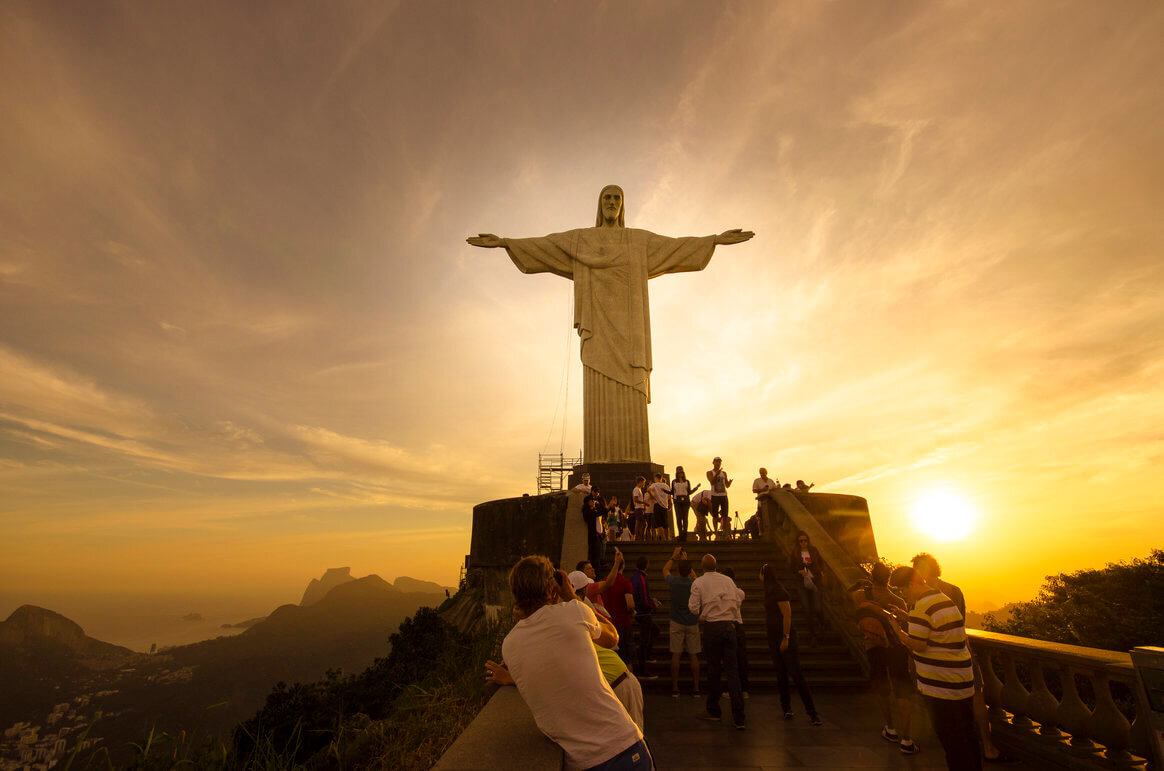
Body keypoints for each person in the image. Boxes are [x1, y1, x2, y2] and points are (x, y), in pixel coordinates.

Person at [469, 186, 753, 466]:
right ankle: (600, 457)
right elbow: (547, 245)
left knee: (632, 389)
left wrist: (713, 240)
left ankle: (635, 457)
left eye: (617, 198)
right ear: (599, 204)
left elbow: (676, 246)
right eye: (607, 197)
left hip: (631, 335)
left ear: (623, 206)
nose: (612, 202)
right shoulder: (582, 240)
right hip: (598, 332)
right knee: (597, 384)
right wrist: (506, 242)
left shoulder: (638, 241)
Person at [487, 556, 651, 770]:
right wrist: (572, 596)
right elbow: (613, 637)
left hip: (581, 762)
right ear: (553, 589)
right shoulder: (574, 611)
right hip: (625, 749)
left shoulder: (508, 645)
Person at [912, 553, 1006, 763]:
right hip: (963, 652)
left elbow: (920, 634)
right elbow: (959, 623)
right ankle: (988, 746)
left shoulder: (922, 596)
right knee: (975, 697)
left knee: (945, 712)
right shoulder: (954, 590)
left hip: (937, 662)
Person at [890, 565, 980, 771]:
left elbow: (918, 644)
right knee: (967, 738)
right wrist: (908, 617)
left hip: (941, 687)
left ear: (912, 583)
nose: (904, 594)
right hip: (961, 682)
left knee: (953, 743)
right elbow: (935, 629)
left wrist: (897, 631)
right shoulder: (941, 599)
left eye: (903, 590)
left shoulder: (922, 605)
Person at [568, 567, 646, 732]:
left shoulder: (579, 610)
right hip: (614, 683)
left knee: (634, 739)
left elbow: (611, 637)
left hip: (618, 684)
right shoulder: (580, 609)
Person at [848, 576, 916, 754]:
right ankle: (907, 739)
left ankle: (890, 728)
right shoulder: (899, 601)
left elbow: (849, 595)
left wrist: (859, 584)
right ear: (888, 579)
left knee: (882, 687)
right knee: (902, 691)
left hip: (874, 646)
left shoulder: (862, 595)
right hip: (896, 648)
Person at [688, 553, 746, 729]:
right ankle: (739, 716)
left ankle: (713, 709)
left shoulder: (698, 582)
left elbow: (693, 607)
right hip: (730, 626)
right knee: (732, 671)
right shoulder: (728, 581)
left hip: (712, 627)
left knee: (714, 669)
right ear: (716, 565)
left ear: (702, 567)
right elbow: (738, 598)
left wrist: (704, 613)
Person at [759, 563, 821, 725]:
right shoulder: (770, 590)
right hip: (774, 637)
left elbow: (787, 615)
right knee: (781, 674)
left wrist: (786, 637)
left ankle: (812, 713)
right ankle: (786, 707)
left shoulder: (779, 592)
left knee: (796, 673)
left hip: (784, 637)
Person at [662, 546, 701, 698]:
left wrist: (673, 556)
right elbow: (696, 578)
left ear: (678, 571)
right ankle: (696, 688)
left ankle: (675, 687)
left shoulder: (674, 582)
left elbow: (665, 570)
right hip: (691, 620)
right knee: (693, 655)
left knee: (676, 654)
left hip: (676, 620)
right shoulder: (694, 584)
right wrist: (686, 561)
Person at [601, 548, 637, 666]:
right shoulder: (626, 583)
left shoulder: (604, 581)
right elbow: (630, 604)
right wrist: (632, 612)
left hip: (608, 623)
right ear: (624, 565)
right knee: (626, 659)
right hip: (623, 623)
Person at [789, 531, 825, 645]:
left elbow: (820, 562)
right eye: (801, 541)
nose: (803, 543)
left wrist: (821, 572)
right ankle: (812, 635)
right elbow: (791, 567)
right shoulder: (795, 552)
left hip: (815, 580)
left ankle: (822, 624)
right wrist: (799, 571)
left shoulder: (813, 550)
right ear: (798, 542)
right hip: (802, 582)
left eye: (805, 540)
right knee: (807, 609)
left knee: (818, 607)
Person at [719, 567, 750, 700]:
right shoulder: (740, 593)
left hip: (728, 624)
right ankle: (744, 689)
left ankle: (729, 689)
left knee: (728, 660)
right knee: (741, 658)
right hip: (739, 625)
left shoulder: (722, 593)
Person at [628, 556, 661, 679]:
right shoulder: (641, 579)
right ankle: (642, 668)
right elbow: (643, 599)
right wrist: (653, 605)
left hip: (639, 611)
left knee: (655, 630)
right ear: (646, 565)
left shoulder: (634, 577)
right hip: (643, 613)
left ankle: (647, 655)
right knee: (644, 640)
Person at [669, 467, 699, 542]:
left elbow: (689, 492)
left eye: (681, 472)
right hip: (677, 501)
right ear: (676, 473)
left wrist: (696, 488)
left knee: (685, 518)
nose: (680, 474)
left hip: (685, 500)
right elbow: (672, 492)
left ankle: (684, 534)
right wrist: (664, 491)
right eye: (678, 473)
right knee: (679, 518)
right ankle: (680, 534)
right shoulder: (674, 482)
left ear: (683, 473)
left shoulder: (687, 481)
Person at [706, 457, 733, 539]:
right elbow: (712, 482)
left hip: (723, 495)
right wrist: (717, 474)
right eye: (716, 461)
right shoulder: (710, 472)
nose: (718, 463)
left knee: (725, 516)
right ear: (713, 462)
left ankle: (726, 534)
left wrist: (730, 482)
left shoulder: (724, 473)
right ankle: (716, 534)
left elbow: (727, 485)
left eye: (719, 462)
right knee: (715, 515)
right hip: (715, 496)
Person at [647, 472, 672, 541]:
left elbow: (648, 489)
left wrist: (653, 495)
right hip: (665, 505)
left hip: (657, 504)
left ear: (656, 478)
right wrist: (670, 503)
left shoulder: (654, 485)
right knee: (665, 523)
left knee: (659, 523)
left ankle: (663, 537)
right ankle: (667, 538)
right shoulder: (666, 486)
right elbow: (669, 496)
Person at [631, 476, 648, 542]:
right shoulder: (636, 489)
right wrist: (644, 503)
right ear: (640, 482)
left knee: (642, 523)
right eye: (643, 482)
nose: (644, 484)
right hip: (638, 508)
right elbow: (635, 499)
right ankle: (638, 537)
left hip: (640, 508)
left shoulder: (639, 490)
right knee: (639, 523)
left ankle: (639, 537)